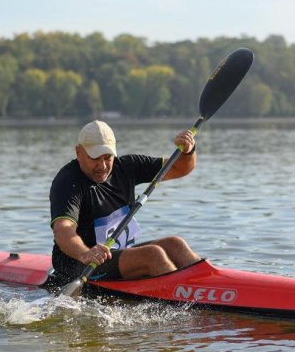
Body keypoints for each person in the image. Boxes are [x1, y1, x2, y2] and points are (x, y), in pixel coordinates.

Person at [49, 120, 201, 283]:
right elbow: (63, 230)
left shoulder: (126, 167)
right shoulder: (67, 182)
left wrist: (188, 151)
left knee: (175, 244)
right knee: (153, 255)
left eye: (107, 157)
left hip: (115, 256)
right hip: (82, 264)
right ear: (79, 152)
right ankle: (186, 300)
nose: (102, 165)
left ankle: (206, 287)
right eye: (95, 158)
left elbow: (180, 168)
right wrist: (85, 253)